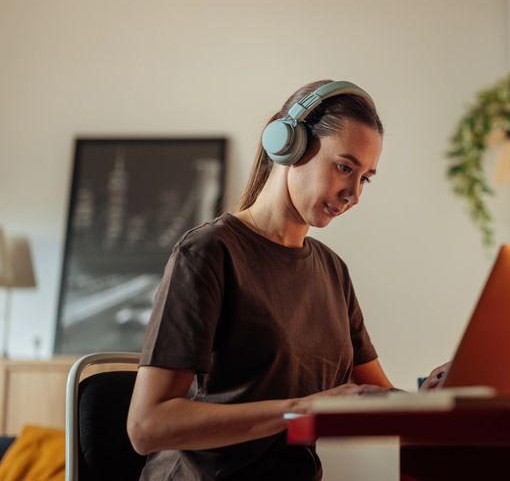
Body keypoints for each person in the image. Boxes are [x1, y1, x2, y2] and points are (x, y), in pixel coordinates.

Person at [127, 80, 447, 480]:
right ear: (288, 145)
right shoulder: (209, 253)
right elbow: (147, 426)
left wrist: (437, 400)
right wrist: (305, 408)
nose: (353, 194)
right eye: (344, 167)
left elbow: (372, 397)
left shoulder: (332, 271)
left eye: (365, 178)